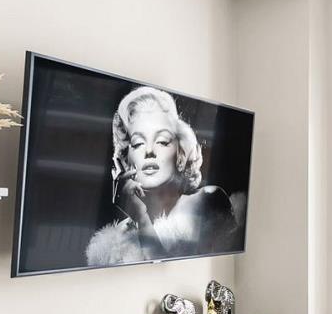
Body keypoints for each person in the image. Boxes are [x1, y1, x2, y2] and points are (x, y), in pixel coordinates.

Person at [85, 86, 239, 265]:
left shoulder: (207, 200)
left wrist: (141, 218)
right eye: (138, 143)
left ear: (181, 155)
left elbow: (167, 267)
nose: (149, 151)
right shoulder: (116, 238)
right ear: (125, 161)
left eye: (162, 141)